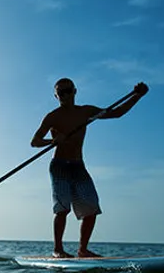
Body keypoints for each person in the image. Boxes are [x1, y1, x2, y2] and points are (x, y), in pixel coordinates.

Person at [30, 78, 148, 258]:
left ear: (74, 91)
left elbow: (116, 113)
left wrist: (137, 96)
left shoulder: (86, 112)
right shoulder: (52, 117)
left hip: (78, 165)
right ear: (56, 96)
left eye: (68, 90)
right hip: (59, 165)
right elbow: (35, 142)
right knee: (62, 209)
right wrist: (52, 141)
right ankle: (58, 250)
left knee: (91, 208)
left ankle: (82, 250)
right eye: (61, 93)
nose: (65, 95)